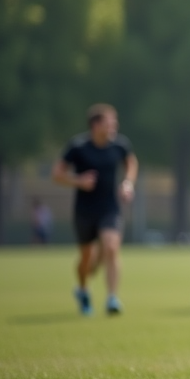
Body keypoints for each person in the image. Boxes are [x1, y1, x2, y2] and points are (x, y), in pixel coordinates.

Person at [53, 103, 138, 315]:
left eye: (115, 122)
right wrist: (78, 181)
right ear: (95, 125)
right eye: (110, 122)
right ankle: (82, 290)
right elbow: (57, 174)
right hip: (85, 210)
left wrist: (127, 183)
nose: (114, 126)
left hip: (110, 207)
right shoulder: (78, 147)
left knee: (111, 247)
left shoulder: (119, 145)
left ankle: (112, 298)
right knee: (87, 259)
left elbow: (130, 163)